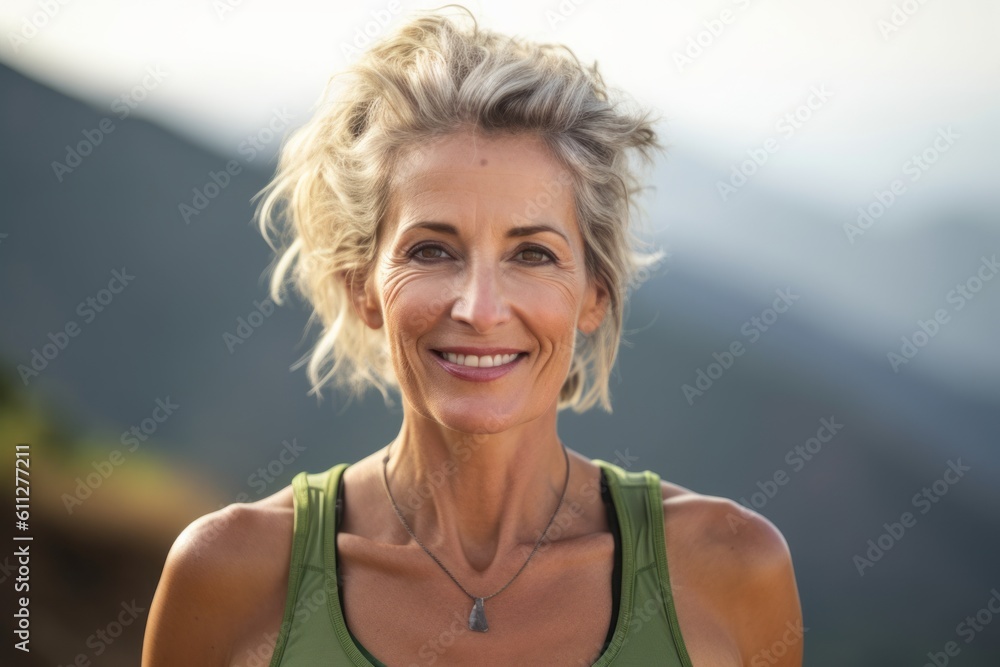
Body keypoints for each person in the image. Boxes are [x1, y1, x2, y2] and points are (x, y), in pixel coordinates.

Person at [142, 8, 802, 666]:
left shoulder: (732, 568)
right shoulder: (229, 574)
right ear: (362, 287)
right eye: (431, 250)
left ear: (595, 293)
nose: (480, 308)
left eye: (533, 254)